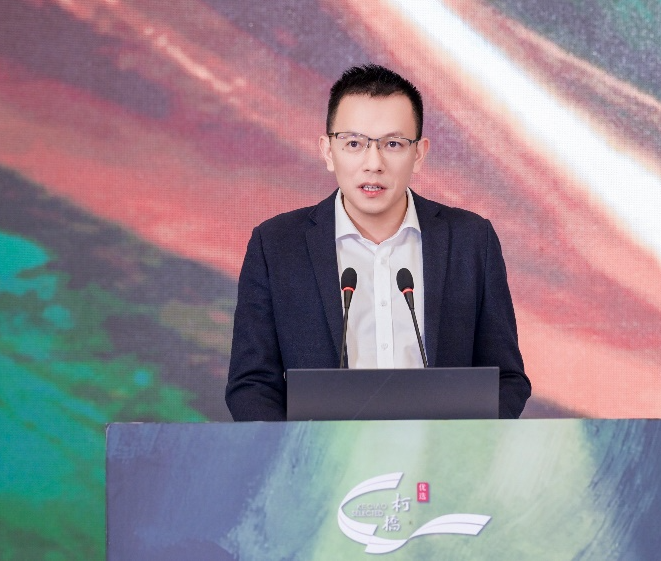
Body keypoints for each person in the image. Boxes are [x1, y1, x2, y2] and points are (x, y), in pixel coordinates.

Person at [226, 64, 531, 420]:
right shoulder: (276, 245)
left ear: (419, 153)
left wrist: (463, 444)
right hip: (320, 452)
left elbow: (506, 379)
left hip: (442, 453)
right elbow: (252, 384)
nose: (374, 164)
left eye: (393, 144)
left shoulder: (471, 240)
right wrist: (297, 448)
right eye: (354, 143)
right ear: (328, 151)